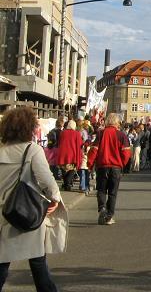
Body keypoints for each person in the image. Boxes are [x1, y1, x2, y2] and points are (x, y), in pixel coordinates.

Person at [0, 107, 68, 292]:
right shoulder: (32, 150)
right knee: (38, 264)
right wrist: (55, 199)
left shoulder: (1, 151)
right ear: (28, 127)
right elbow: (47, 180)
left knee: (2, 262)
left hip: (4, 214)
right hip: (27, 211)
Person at [89, 113, 131, 225]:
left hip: (102, 166)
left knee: (102, 190)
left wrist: (90, 164)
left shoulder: (100, 134)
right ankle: (109, 216)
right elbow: (126, 153)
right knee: (113, 192)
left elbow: (94, 150)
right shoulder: (122, 135)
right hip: (116, 167)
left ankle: (102, 208)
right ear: (117, 123)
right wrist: (121, 164)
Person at [56, 120, 83, 191]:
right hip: (72, 155)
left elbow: (59, 142)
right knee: (72, 170)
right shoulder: (77, 134)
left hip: (63, 154)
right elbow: (79, 144)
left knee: (64, 170)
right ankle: (67, 184)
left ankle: (66, 185)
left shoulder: (62, 133)